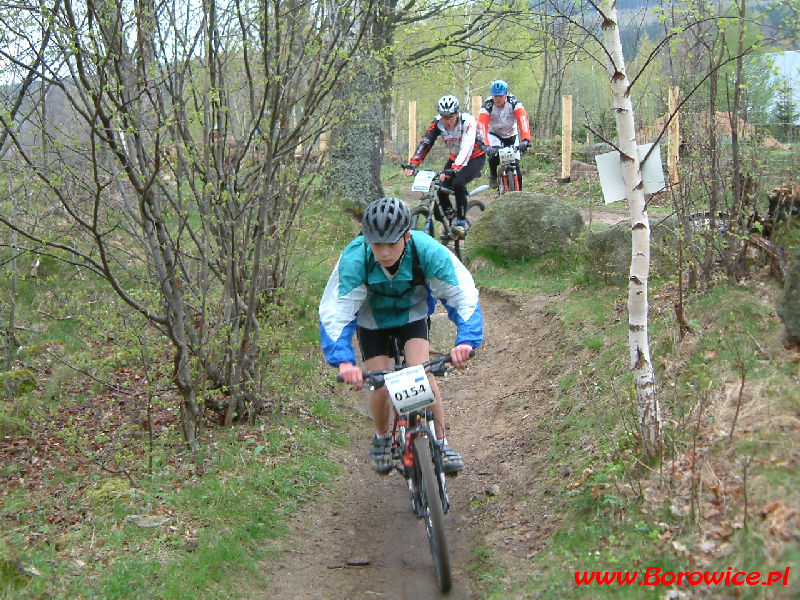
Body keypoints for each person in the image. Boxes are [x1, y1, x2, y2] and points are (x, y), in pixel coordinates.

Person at [319, 197, 483, 475]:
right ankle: (382, 437)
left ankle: (441, 443)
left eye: (391, 244)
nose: (383, 252)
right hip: (373, 322)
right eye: (376, 244)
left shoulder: (428, 251)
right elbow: (336, 312)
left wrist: (466, 340)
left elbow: (462, 294)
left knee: (422, 373)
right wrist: (344, 361)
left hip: (412, 315)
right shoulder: (355, 258)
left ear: (407, 236)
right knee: (381, 384)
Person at [404, 94, 486, 239]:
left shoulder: (468, 121)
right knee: (441, 188)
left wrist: (454, 169)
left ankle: (460, 223)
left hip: (475, 157)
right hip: (455, 157)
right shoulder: (437, 123)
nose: (447, 121)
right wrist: (413, 163)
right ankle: (449, 222)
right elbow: (426, 142)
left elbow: (466, 148)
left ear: (457, 113)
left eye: (450, 117)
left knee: (458, 183)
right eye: (444, 117)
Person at [477, 79, 532, 189]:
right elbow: (482, 125)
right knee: (493, 155)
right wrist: (485, 145)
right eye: (495, 96)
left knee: (515, 165)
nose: (498, 99)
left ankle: (519, 194)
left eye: (500, 96)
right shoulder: (487, 105)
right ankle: (493, 174)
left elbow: (523, 120)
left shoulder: (514, 103)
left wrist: (526, 140)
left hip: (511, 133)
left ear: (506, 94)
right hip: (494, 134)